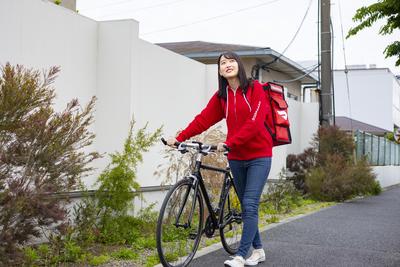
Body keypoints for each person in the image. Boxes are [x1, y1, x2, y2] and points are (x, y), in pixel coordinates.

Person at [167, 51, 273, 267]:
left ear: (239, 65)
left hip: (259, 155)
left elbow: (254, 122)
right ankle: (259, 250)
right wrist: (179, 138)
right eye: (222, 63)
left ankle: (241, 255)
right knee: (246, 205)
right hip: (236, 157)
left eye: (231, 61)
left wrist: (231, 142)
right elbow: (203, 120)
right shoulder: (221, 96)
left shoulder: (255, 89)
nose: (227, 65)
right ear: (219, 71)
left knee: (250, 204)